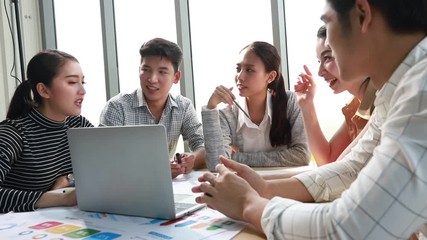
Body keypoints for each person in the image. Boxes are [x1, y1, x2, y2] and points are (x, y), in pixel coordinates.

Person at [192, 0, 427, 238]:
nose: (329, 45)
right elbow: (353, 167)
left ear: (362, 14)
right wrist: (264, 187)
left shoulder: (421, 91)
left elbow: (348, 230)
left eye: (328, 22)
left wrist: (249, 204)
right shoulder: (397, 90)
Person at [0, 49, 93, 213]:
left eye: (82, 82)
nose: (82, 91)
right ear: (44, 90)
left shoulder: (79, 125)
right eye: (72, 82)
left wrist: (68, 179)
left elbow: (106, 168)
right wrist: (60, 198)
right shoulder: (12, 134)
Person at [99, 38, 205, 178]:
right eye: (146, 70)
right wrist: (156, 169)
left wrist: (192, 159)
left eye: (162, 72)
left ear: (176, 77)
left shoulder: (183, 106)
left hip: (166, 187)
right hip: (123, 187)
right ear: (139, 71)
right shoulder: (117, 107)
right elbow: (104, 160)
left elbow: (202, 145)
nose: (152, 79)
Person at [201, 41, 310, 172]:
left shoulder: (290, 102)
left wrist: (236, 158)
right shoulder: (227, 114)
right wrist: (211, 108)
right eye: (238, 69)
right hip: (243, 188)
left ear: (270, 77)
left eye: (249, 70)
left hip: (283, 185)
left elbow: (302, 154)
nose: (240, 77)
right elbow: (216, 164)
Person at [294, 25, 376, 166]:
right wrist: (307, 105)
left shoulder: (381, 102)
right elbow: (328, 161)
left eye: (327, 58)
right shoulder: (356, 105)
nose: (320, 72)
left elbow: (341, 170)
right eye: (319, 61)